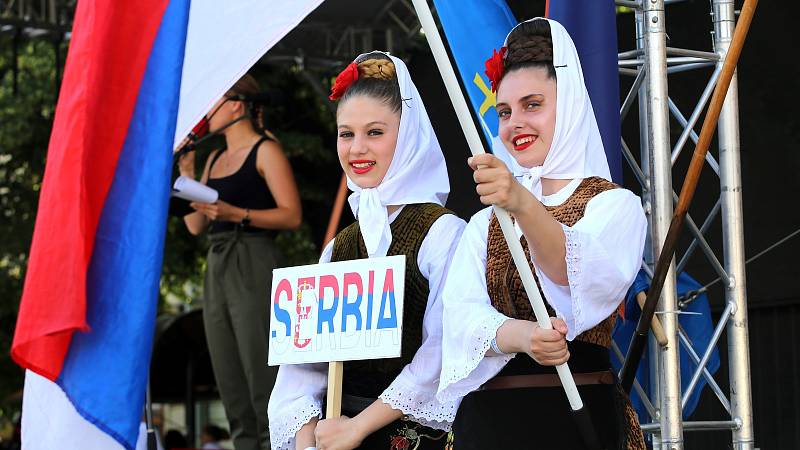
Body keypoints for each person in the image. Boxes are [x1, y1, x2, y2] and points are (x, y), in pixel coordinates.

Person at [436, 18, 647, 449]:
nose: (515, 124)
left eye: (533, 105)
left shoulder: (613, 205)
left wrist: (522, 204)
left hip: (576, 419)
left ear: (567, 105)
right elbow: (459, 318)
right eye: (504, 112)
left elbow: (576, 274)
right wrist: (525, 337)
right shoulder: (486, 222)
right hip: (490, 424)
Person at [267, 51, 465, 450]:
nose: (357, 148)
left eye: (375, 132)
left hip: (416, 437)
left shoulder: (443, 232)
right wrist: (310, 442)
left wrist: (358, 428)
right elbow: (301, 371)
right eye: (346, 133)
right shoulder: (337, 249)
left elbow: (444, 352)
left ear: (408, 134)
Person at [178, 73, 302, 450]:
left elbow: (291, 216)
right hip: (217, 264)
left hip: (253, 256)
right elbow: (196, 226)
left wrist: (237, 213)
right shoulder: (213, 157)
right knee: (227, 372)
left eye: (215, 100)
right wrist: (186, 173)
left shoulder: (266, 150)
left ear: (236, 104)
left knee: (260, 366)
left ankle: (274, 443)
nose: (207, 109)